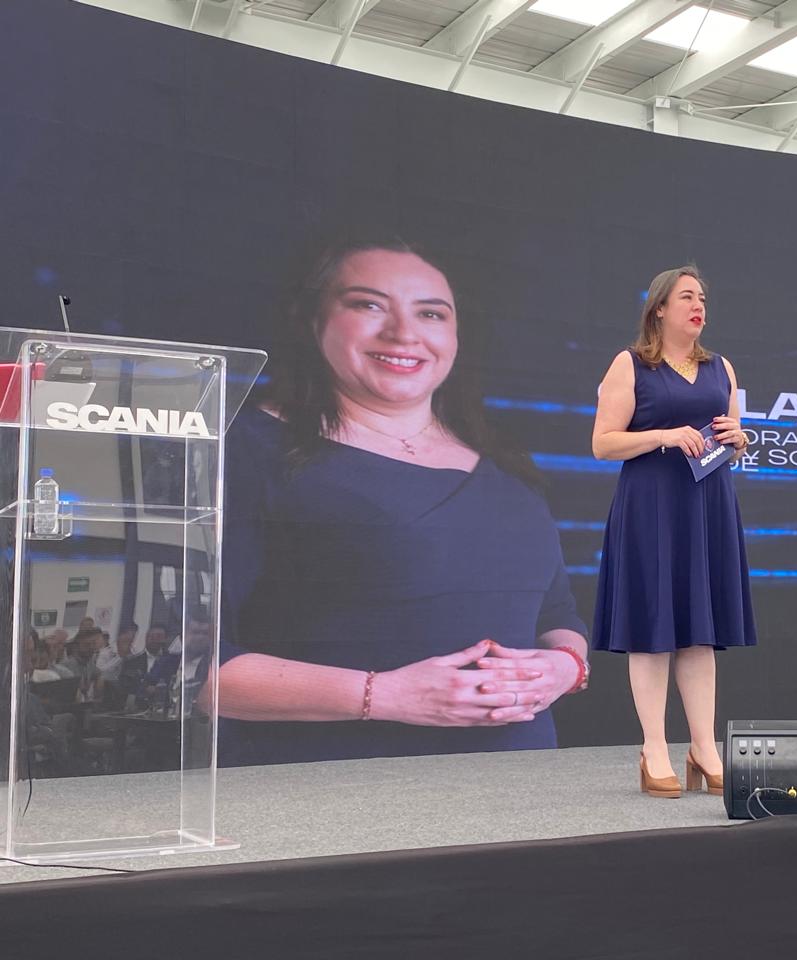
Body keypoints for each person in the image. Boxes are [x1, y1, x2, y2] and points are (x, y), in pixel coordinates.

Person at [217, 233, 589, 764]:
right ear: (311, 319)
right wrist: (383, 695)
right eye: (368, 305)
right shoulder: (246, 448)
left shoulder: (505, 463)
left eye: (431, 314)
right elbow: (188, 667)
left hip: (519, 783)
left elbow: (558, 614)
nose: (404, 333)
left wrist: (565, 668)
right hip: (336, 791)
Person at [591, 265, 755, 798]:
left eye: (702, 297)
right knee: (652, 627)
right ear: (659, 308)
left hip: (707, 508)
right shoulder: (631, 364)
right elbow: (603, 443)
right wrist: (663, 435)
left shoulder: (721, 367)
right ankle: (654, 748)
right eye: (686, 296)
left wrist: (739, 438)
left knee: (699, 631)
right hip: (651, 508)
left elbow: (730, 438)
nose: (698, 305)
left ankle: (704, 748)